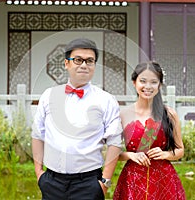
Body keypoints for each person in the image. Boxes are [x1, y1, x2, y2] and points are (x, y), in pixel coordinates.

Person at [31, 38, 122, 200]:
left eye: (90, 61)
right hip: (52, 182)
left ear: (94, 66)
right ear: (67, 63)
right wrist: (39, 173)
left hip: (89, 184)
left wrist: (104, 182)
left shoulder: (106, 100)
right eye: (78, 60)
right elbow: (38, 135)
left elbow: (114, 142)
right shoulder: (48, 95)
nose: (84, 65)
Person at [113, 61, 186, 200]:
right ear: (134, 83)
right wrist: (130, 155)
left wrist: (166, 154)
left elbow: (180, 150)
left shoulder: (169, 114)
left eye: (153, 82)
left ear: (159, 85)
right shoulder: (123, 115)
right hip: (132, 180)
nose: (148, 86)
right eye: (143, 81)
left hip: (163, 181)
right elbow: (112, 153)